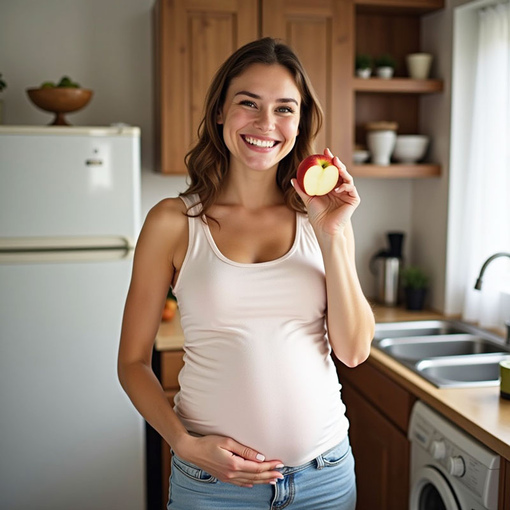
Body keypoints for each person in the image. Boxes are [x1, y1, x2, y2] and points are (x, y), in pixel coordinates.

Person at [118, 37, 375, 510]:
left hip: (324, 478)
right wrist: (184, 443)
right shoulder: (174, 222)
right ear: (220, 111)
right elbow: (133, 363)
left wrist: (333, 233)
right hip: (214, 486)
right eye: (248, 104)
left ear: (299, 123)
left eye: (284, 109)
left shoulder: (324, 219)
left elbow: (355, 351)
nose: (265, 123)